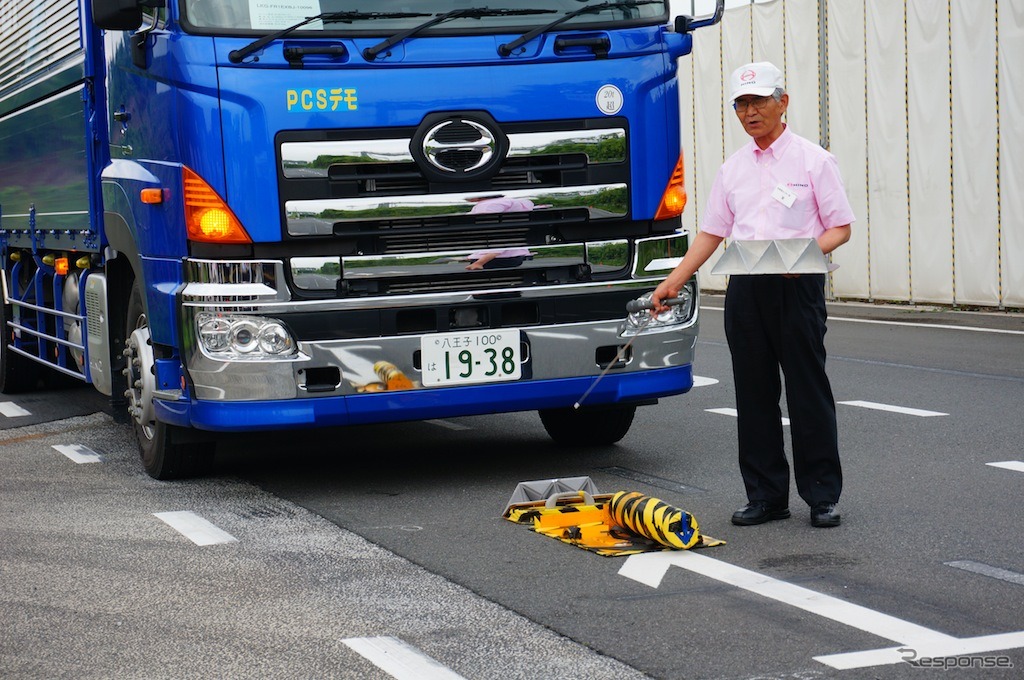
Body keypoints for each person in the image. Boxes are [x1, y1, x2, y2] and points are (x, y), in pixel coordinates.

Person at [651, 61, 854, 528]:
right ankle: (766, 497)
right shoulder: (733, 169)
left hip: (797, 286)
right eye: (742, 103)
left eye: (759, 101)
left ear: (783, 102)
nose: (750, 111)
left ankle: (822, 496)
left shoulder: (813, 160)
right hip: (746, 291)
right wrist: (674, 280)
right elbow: (711, 234)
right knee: (754, 395)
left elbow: (839, 228)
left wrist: (794, 259)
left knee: (807, 391)